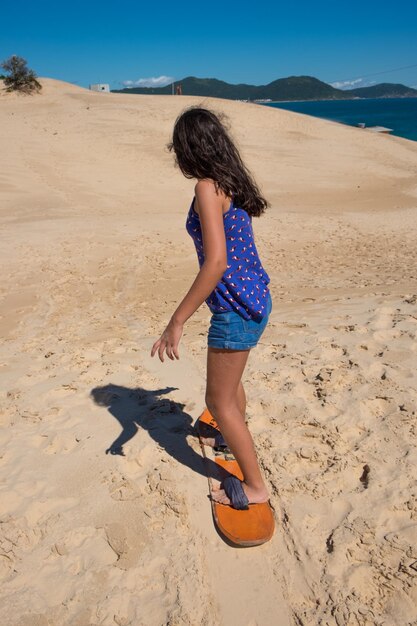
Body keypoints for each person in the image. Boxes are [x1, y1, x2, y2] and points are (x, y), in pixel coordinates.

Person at [151, 106, 272, 510]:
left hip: (236, 307)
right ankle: (226, 435)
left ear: (188, 149)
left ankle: (255, 486)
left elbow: (216, 261)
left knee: (218, 400)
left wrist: (176, 321)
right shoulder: (229, 180)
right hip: (256, 297)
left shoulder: (207, 186)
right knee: (231, 383)